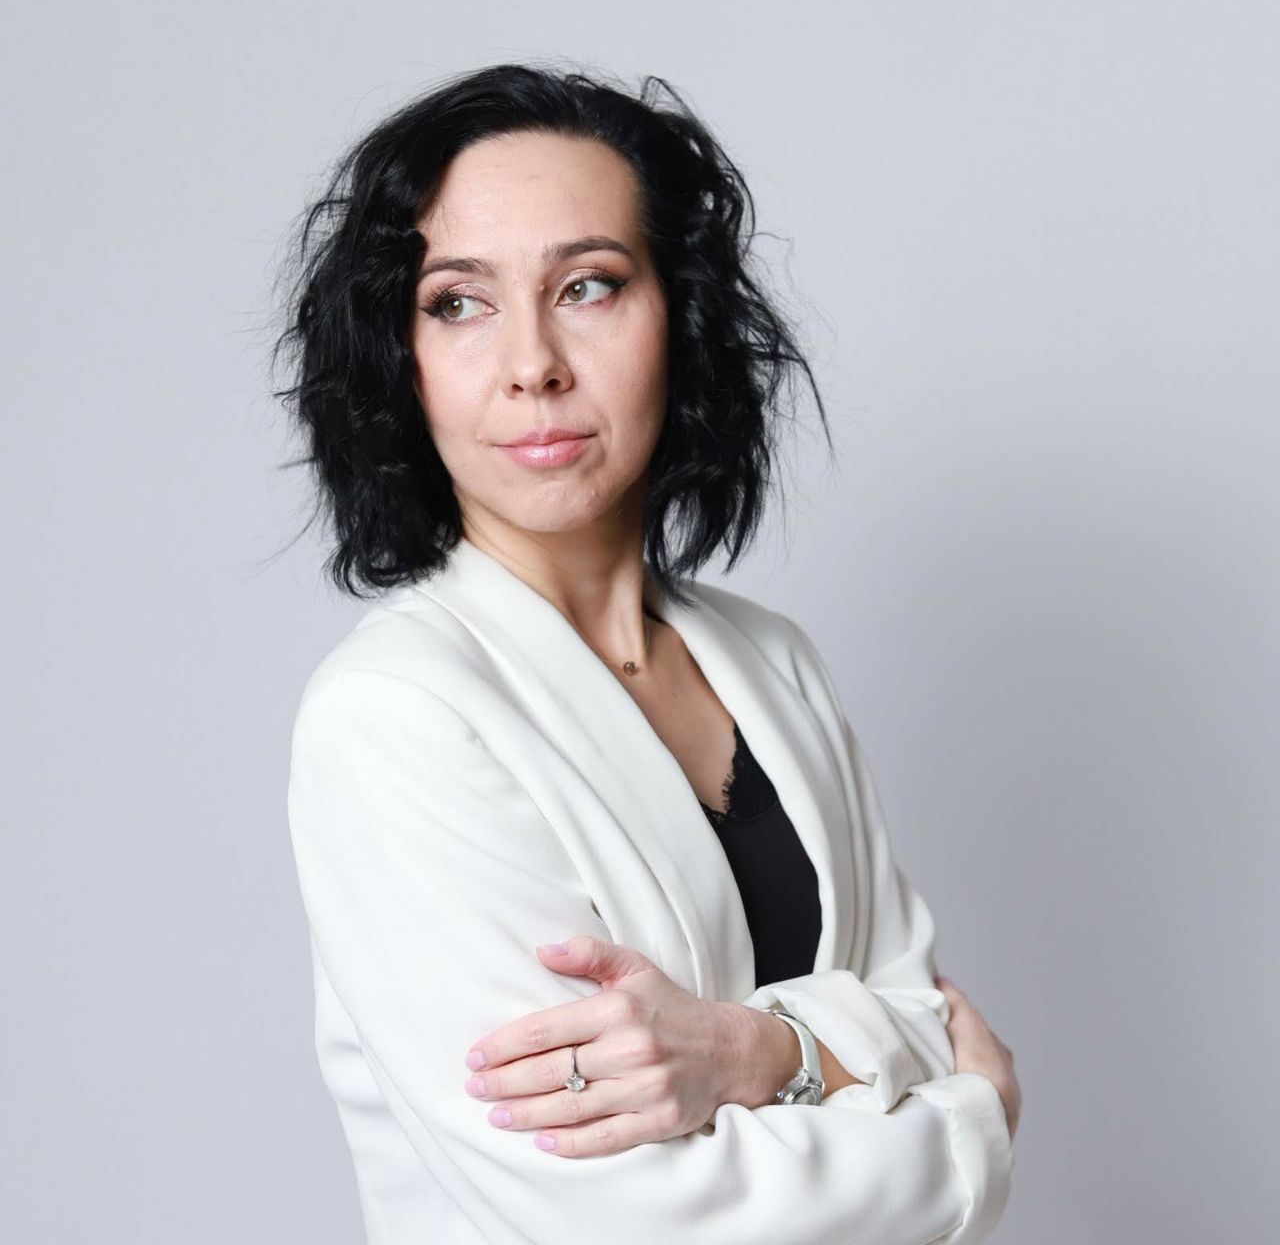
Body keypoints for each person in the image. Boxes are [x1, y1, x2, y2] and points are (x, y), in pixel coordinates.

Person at [274, 61, 1021, 1244]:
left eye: (586, 285)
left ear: (680, 313)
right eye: (457, 302)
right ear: (396, 357)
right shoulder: (393, 713)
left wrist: (756, 1050)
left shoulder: (769, 660)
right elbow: (619, 1213)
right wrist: (967, 1131)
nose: (532, 362)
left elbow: (923, 1008)